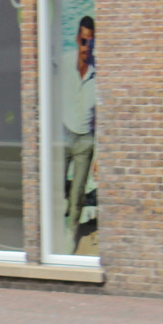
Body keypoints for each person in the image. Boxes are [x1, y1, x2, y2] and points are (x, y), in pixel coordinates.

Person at [61, 14, 97, 254]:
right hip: (63, 135)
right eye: (84, 42)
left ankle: (69, 236)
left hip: (85, 140)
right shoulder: (63, 64)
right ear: (77, 40)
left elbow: (103, 116)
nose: (87, 48)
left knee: (77, 197)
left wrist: (100, 154)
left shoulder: (99, 72)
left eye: (91, 43)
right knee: (56, 187)